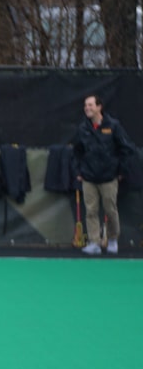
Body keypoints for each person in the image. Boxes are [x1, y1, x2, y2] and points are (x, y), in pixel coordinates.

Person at [72, 94, 136, 255]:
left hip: (109, 177)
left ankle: (112, 239)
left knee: (110, 209)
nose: (87, 108)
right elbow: (77, 152)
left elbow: (126, 149)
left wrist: (120, 171)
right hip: (88, 177)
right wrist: (79, 171)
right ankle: (94, 242)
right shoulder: (83, 129)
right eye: (86, 105)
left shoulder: (113, 126)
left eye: (91, 105)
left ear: (99, 107)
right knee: (91, 211)